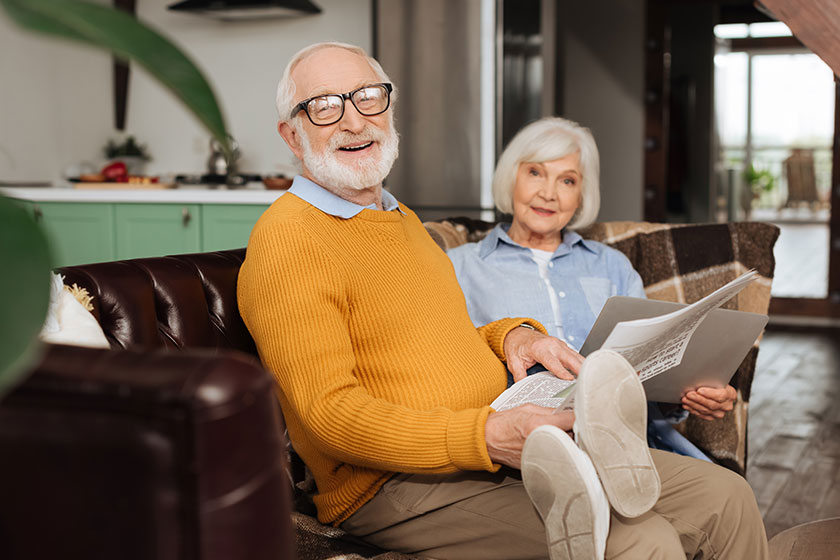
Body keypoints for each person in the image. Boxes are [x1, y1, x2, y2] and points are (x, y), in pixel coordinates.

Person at [237, 41, 769, 559]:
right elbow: (329, 416)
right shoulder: (290, 238)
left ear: (388, 107)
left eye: (367, 97)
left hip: (500, 440)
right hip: (395, 482)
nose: (354, 120)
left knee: (726, 497)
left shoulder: (400, 222)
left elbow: (438, 339)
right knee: (637, 541)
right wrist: (487, 436)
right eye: (325, 107)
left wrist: (513, 334)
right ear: (292, 133)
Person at [447, 116, 734, 460]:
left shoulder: (612, 265)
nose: (548, 193)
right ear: (512, 177)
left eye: (567, 181)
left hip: (623, 434)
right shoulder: (459, 265)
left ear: (582, 194)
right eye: (535, 173)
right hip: (523, 445)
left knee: (726, 495)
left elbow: (646, 367)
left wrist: (690, 393)